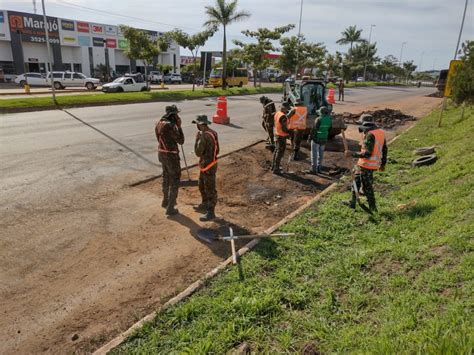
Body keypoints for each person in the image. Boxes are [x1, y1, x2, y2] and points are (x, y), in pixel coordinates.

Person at [344, 114, 387, 212]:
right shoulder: (380, 132)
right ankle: (352, 202)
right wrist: (383, 164)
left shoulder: (370, 135)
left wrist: (352, 154)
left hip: (367, 165)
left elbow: (367, 154)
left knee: (367, 187)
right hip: (364, 164)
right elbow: (385, 149)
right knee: (355, 182)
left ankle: (373, 208)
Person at [155, 105, 184, 216]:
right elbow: (181, 141)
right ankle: (171, 207)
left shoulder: (158, 123)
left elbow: (158, 138)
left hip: (162, 153)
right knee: (174, 179)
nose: (178, 116)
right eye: (177, 114)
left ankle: (165, 200)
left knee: (165, 177)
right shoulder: (171, 126)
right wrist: (179, 127)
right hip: (171, 156)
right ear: (174, 115)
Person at [193, 115, 220, 221]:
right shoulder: (213, 133)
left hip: (207, 165)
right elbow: (217, 150)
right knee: (202, 185)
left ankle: (211, 212)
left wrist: (197, 140)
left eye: (197, 124)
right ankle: (204, 204)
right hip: (211, 163)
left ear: (200, 124)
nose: (196, 126)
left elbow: (197, 152)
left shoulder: (203, 136)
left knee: (209, 188)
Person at [308, 106, 332, 173]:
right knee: (321, 154)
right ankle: (319, 168)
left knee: (314, 154)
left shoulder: (318, 119)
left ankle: (313, 169)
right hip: (324, 139)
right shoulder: (329, 119)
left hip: (316, 139)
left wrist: (310, 138)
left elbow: (314, 130)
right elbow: (329, 129)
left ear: (321, 112)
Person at [271, 102, 292, 174]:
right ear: (284, 108)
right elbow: (284, 128)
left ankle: (273, 166)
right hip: (281, 136)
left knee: (276, 151)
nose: (287, 111)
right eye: (287, 109)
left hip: (277, 134)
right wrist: (290, 132)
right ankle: (276, 169)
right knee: (280, 152)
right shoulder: (283, 117)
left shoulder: (277, 113)